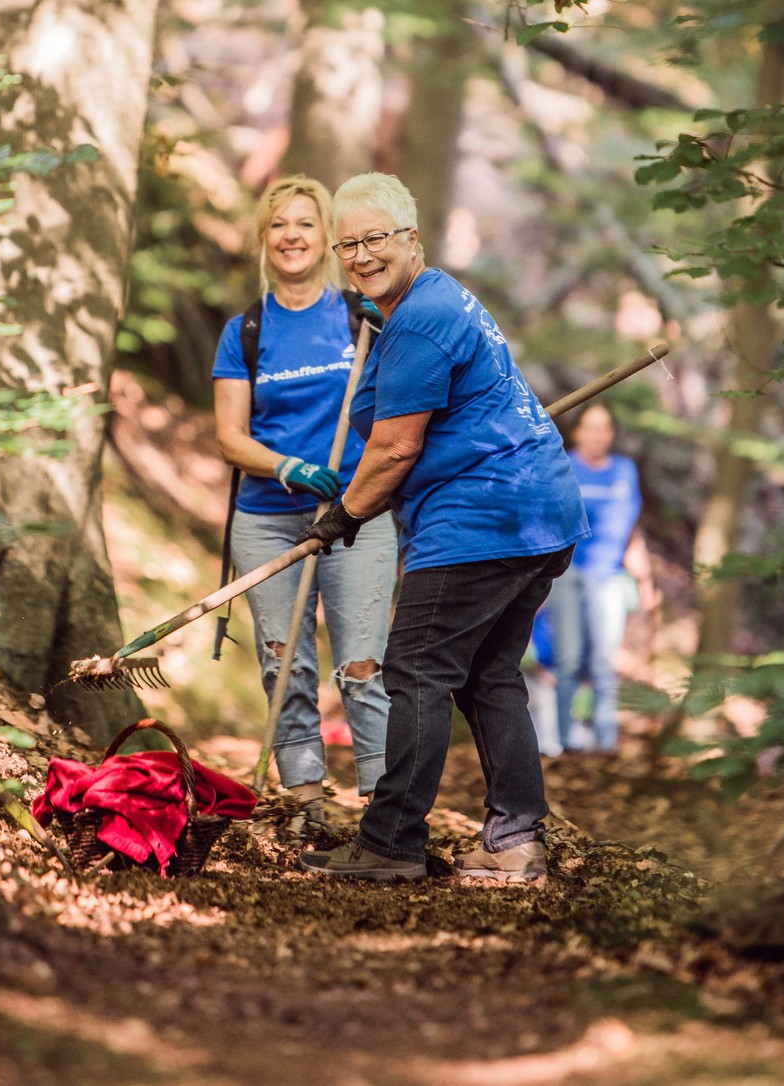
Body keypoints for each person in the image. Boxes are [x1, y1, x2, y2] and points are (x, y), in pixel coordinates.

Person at [295, 172, 588, 885]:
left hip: (485, 516)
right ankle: (515, 840)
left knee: (418, 668)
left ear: (412, 239)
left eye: (377, 239)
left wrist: (344, 515)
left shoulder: (422, 318)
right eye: (349, 245)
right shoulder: (429, 305)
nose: (362, 256)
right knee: (488, 675)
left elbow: (396, 446)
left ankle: (391, 841)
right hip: (539, 514)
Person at [212, 175, 398, 824]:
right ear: (265, 240)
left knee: (362, 665)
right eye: (279, 225)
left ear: (326, 239)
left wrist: (390, 332)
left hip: (357, 513)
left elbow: (404, 402)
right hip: (267, 519)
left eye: (306, 223)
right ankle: (307, 803)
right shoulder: (247, 331)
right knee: (283, 663)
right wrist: (289, 465)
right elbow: (231, 437)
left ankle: (384, 808)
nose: (292, 235)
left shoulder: (359, 316)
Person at [545, 402, 654, 755]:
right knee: (569, 660)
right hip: (568, 573)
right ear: (576, 432)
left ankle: (606, 745)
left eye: (604, 427)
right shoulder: (564, 466)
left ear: (611, 433)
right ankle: (564, 744)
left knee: (605, 664)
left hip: (609, 576)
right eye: (590, 427)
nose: (597, 435)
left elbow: (631, 529)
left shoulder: (624, 470)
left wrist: (645, 578)